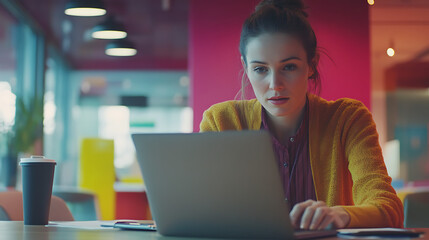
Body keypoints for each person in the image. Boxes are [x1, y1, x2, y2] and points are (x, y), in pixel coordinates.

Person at [199, 0, 403, 230]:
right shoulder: (220, 122)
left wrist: (339, 215)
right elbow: (199, 207)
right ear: (246, 67)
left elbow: (388, 208)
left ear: (311, 65)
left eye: (289, 67)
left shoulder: (348, 119)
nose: (275, 85)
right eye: (260, 69)